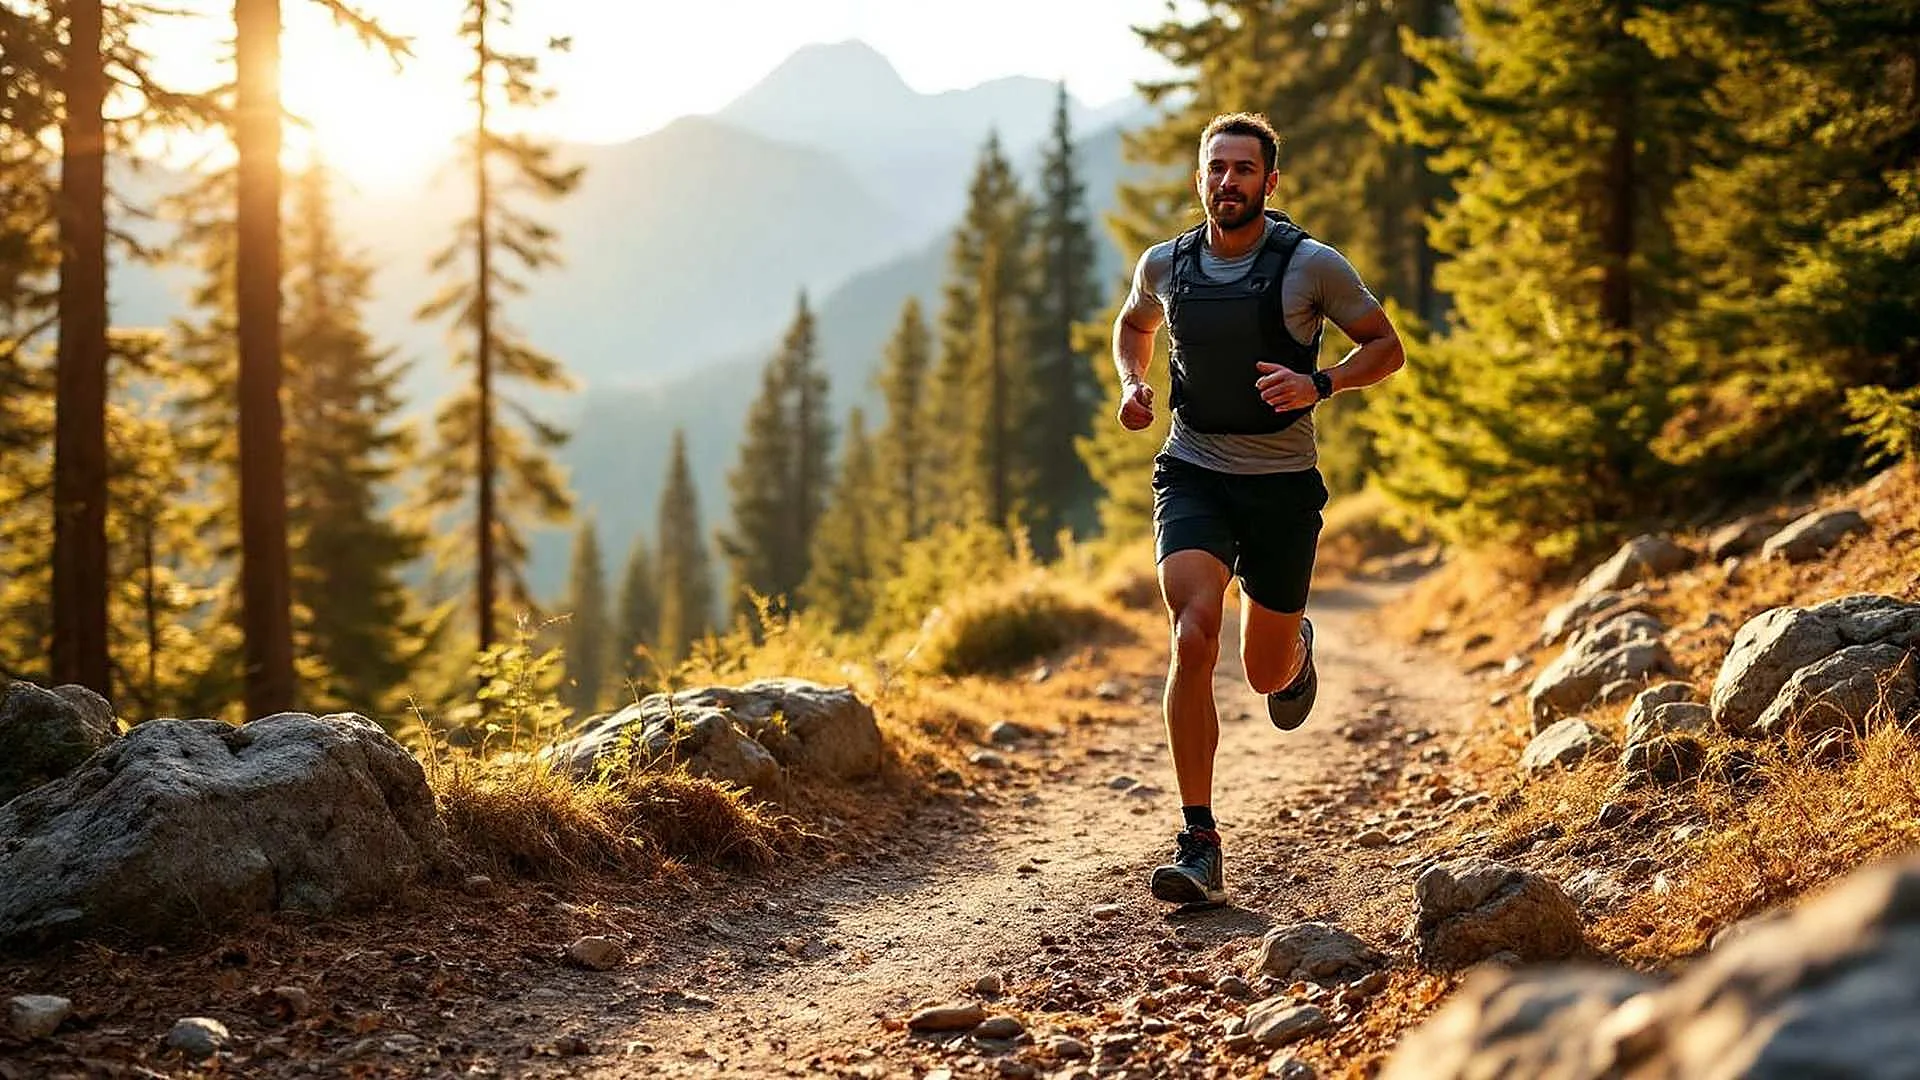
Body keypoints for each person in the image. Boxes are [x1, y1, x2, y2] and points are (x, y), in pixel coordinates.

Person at [1109, 112, 1406, 906]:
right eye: (1216, 168)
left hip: (1280, 487)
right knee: (1193, 631)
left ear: (1269, 183)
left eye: (1243, 169)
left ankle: (1294, 651)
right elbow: (1133, 325)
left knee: (1263, 668)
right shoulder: (1165, 265)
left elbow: (1386, 346)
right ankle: (1198, 838)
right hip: (1193, 469)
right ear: (1199, 177)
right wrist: (1134, 385)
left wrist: (1323, 382)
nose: (1227, 182)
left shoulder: (1311, 266)